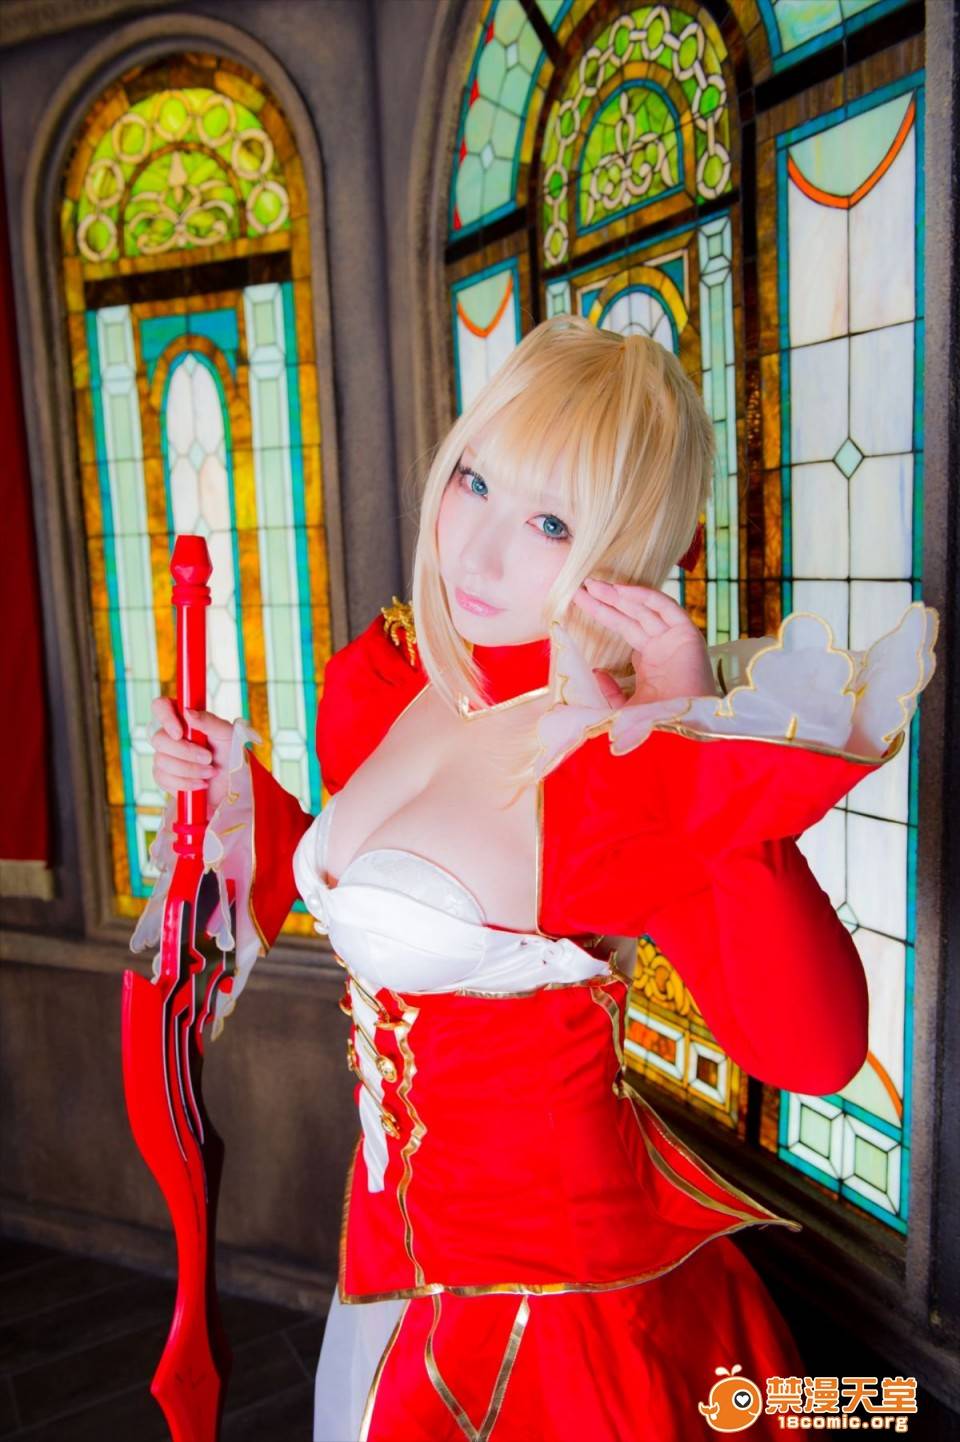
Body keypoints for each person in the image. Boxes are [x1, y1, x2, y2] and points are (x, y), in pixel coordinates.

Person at [135, 316, 939, 1441]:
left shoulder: (618, 759)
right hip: (389, 1254)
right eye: (475, 479)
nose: (478, 552)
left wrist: (690, 746)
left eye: (551, 521)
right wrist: (237, 790)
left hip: (559, 1310)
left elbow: (814, 1051)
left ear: (633, 548)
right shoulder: (399, 676)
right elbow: (376, 888)